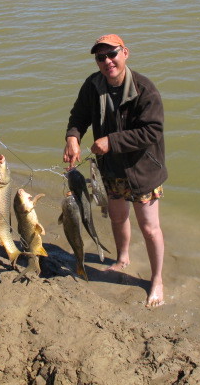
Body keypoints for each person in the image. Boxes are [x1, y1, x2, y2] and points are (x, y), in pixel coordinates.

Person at [63, 34, 168, 307]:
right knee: (118, 216)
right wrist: (73, 137)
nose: (107, 61)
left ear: (125, 53)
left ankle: (157, 279)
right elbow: (79, 116)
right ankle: (122, 259)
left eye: (112, 54)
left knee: (149, 227)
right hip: (110, 168)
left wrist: (112, 141)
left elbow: (152, 131)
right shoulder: (93, 85)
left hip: (143, 170)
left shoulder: (145, 89)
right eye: (101, 57)